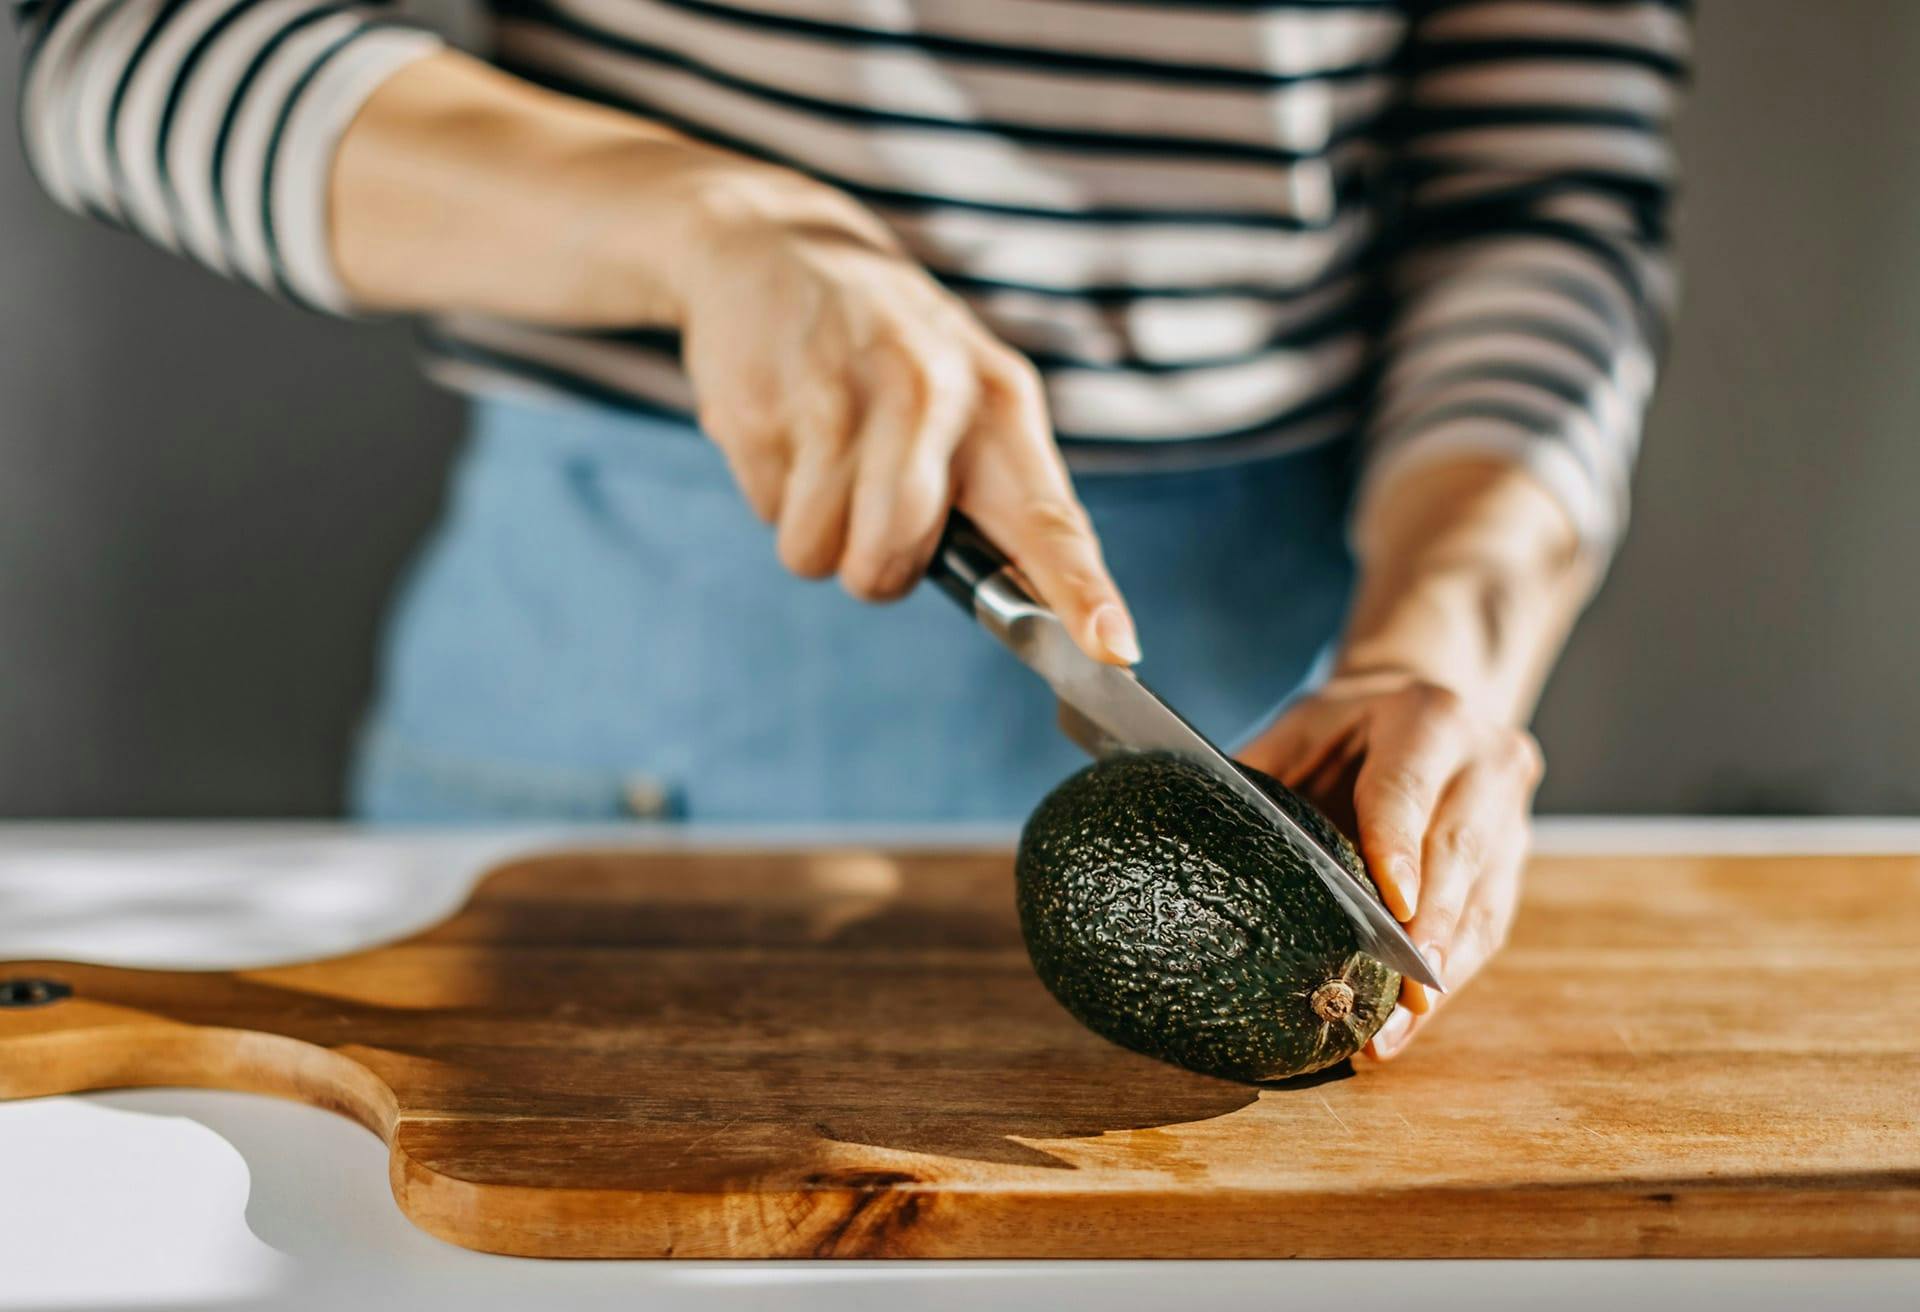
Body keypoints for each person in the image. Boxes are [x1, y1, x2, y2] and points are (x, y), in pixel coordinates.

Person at [14, 0, 1688, 1058]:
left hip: (1281, 685)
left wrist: (1441, 639)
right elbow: (109, 36)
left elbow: (1541, 212)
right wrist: (706, 226)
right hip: (636, 671)